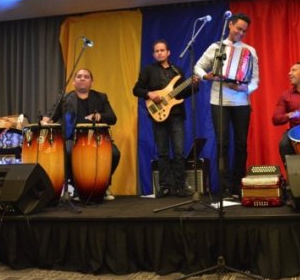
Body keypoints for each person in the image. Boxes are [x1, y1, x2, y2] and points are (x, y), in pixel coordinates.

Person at [194, 12, 259, 199]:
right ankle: (224, 187)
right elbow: (198, 67)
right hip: (219, 101)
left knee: (241, 144)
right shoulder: (216, 47)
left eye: (244, 31)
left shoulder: (250, 51)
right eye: (238, 28)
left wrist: (244, 88)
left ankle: (239, 184)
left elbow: (255, 80)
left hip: (241, 102)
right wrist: (206, 76)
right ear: (230, 25)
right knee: (222, 144)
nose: (241, 33)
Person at [133, 39, 199, 198]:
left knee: (179, 152)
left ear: (168, 52)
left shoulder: (177, 71)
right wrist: (149, 94)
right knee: (162, 152)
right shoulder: (148, 70)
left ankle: (180, 187)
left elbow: (182, 94)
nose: (159, 53)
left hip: (176, 115)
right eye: (156, 51)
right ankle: (164, 187)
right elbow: (136, 89)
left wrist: (194, 85)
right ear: (153, 54)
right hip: (158, 116)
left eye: (162, 50)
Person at [43, 68, 120, 201]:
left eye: (86, 76)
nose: (82, 78)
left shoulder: (101, 97)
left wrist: (98, 116)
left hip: (97, 139)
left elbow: (112, 118)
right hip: (72, 138)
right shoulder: (65, 99)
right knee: (67, 152)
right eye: (79, 76)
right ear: (73, 82)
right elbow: (51, 116)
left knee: (114, 153)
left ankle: (103, 185)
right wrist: (46, 120)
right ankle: (77, 188)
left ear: (92, 82)